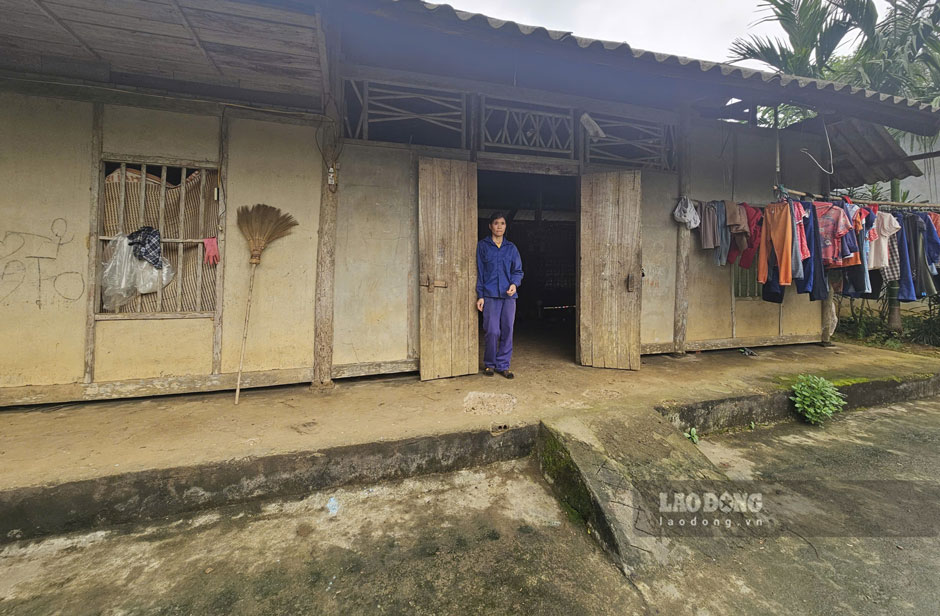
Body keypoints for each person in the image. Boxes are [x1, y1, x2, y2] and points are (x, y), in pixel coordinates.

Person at [476, 212, 523, 379]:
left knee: (507, 330)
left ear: (505, 226)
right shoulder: (482, 246)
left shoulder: (511, 248)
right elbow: (480, 273)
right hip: (490, 295)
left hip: (509, 297)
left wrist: (513, 284)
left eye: (502, 223)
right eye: (496, 223)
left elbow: (517, 271)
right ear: (490, 226)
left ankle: (503, 365)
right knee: (492, 331)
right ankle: (489, 363)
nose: (499, 226)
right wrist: (480, 295)